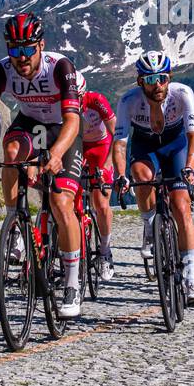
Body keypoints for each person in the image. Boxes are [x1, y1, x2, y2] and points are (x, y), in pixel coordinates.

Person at [0, 13, 85, 318]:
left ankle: (71, 282)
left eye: (28, 49)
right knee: (12, 148)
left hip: (63, 127)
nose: (21, 57)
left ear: (41, 45)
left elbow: (73, 120)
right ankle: (15, 220)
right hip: (30, 123)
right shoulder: (2, 70)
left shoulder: (60, 67)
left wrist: (56, 153)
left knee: (60, 202)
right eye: (14, 50)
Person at [112, 51, 194, 303]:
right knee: (140, 177)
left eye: (162, 78)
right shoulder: (128, 101)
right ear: (140, 81)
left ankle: (191, 279)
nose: (157, 85)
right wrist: (120, 174)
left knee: (181, 206)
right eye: (150, 79)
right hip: (146, 147)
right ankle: (149, 224)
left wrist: (189, 167)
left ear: (169, 77)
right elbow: (120, 143)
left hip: (176, 145)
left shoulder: (182, 94)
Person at [76, 72, 118, 281]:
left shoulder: (96, 101)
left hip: (102, 147)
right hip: (78, 147)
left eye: (78, 98)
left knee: (101, 203)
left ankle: (104, 250)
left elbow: (116, 132)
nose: (76, 102)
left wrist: (108, 164)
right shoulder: (62, 102)